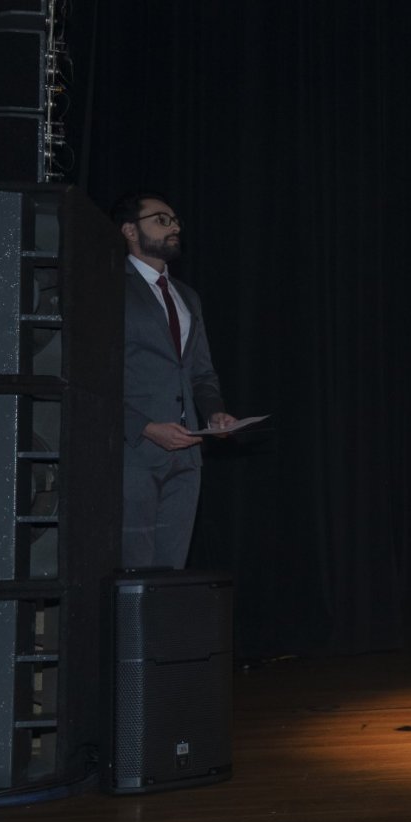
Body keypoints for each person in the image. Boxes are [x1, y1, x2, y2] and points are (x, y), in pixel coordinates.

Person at [112, 191, 236, 570]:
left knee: (170, 574)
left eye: (176, 221)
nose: (174, 227)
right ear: (130, 230)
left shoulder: (187, 297)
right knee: (134, 571)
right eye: (162, 220)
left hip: (187, 456)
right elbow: (93, 375)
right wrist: (145, 427)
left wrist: (214, 413)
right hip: (134, 453)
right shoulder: (110, 285)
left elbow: (201, 372)